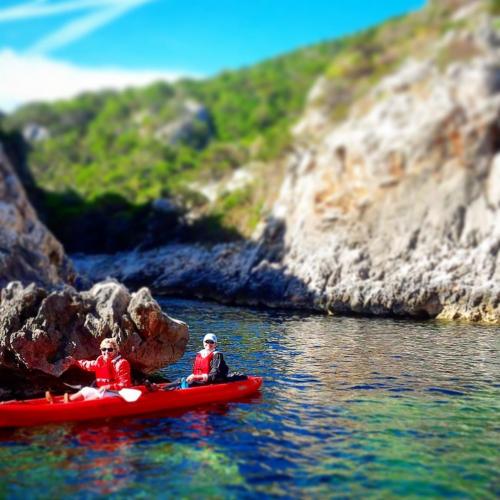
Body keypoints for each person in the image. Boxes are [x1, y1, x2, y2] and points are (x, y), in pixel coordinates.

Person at [65, 338, 132, 401]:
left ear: (116, 350)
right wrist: (75, 362)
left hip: (119, 393)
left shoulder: (122, 363)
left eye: (110, 349)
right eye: (104, 349)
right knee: (86, 390)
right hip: (104, 390)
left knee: (101, 394)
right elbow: (88, 364)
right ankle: (67, 403)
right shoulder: (100, 362)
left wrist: (108, 387)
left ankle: (79, 407)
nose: (106, 352)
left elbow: (125, 385)